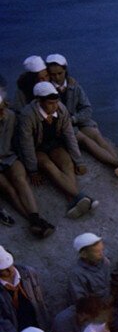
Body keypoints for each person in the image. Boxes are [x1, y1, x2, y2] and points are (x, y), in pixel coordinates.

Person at [16, 81, 97, 219]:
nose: (54, 106)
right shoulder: (27, 115)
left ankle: (73, 201)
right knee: (48, 165)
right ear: (39, 101)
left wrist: (79, 161)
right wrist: (32, 170)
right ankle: (81, 197)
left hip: (53, 143)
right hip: (37, 147)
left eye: (56, 102)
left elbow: (69, 135)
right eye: (50, 103)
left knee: (67, 163)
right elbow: (26, 144)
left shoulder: (60, 109)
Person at [44, 54, 118, 177]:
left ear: (65, 71)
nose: (57, 77)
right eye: (53, 74)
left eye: (60, 73)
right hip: (62, 127)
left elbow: (87, 108)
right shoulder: (47, 91)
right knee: (86, 141)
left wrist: (75, 118)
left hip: (75, 121)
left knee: (96, 136)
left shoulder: (74, 86)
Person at [0, 93, 54, 238]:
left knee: (20, 180)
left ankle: (35, 218)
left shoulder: (10, 116)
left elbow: (19, 141)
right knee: (9, 189)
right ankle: (34, 221)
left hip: (9, 156)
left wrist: (30, 166)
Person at [0, 246, 50, 332]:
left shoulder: (28, 273)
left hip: (38, 327)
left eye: (9, 267)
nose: (8, 272)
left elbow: (41, 302)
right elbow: (2, 324)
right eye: (3, 270)